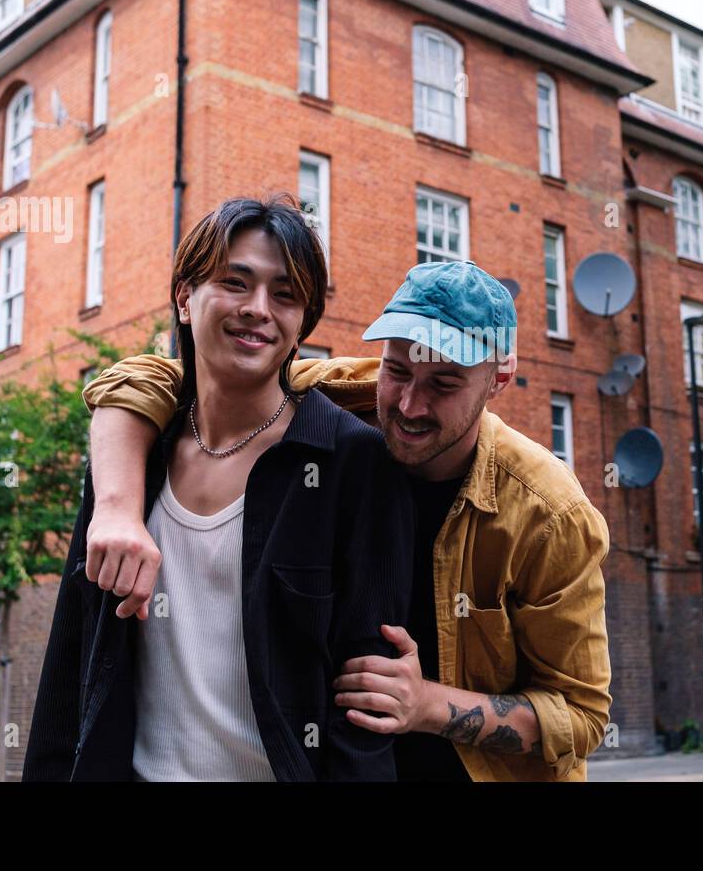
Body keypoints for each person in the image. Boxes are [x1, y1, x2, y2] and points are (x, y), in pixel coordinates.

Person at [80, 261, 612, 781]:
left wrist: (428, 704)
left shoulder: (550, 515)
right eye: (398, 370)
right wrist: (116, 509)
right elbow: (148, 378)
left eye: (444, 385)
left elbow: (583, 717)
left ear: (500, 379)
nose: (408, 405)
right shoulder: (334, 396)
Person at [23, 196, 414, 781]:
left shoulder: (350, 462)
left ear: (302, 322)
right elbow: (73, 656)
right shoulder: (132, 458)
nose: (259, 309)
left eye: (285, 295)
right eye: (236, 282)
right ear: (185, 295)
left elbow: (364, 709)